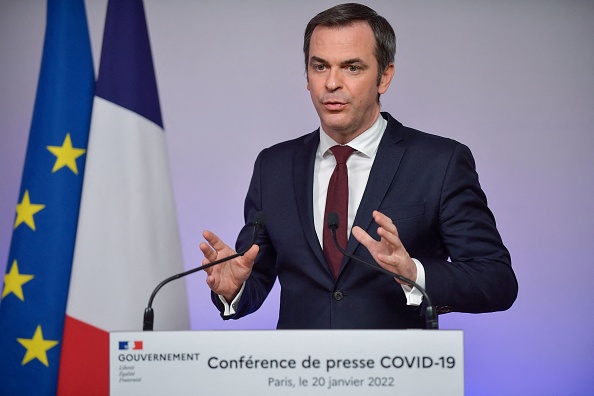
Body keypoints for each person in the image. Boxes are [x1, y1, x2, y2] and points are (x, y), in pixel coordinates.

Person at [199, 3, 518, 329]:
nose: (332, 83)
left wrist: (414, 274)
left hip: (397, 371)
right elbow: (255, 272)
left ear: (384, 76)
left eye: (352, 67)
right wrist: (234, 288)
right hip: (297, 374)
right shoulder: (274, 166)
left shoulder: (439, 162)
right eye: (320, 67)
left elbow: (496, 280)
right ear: (307, 76)